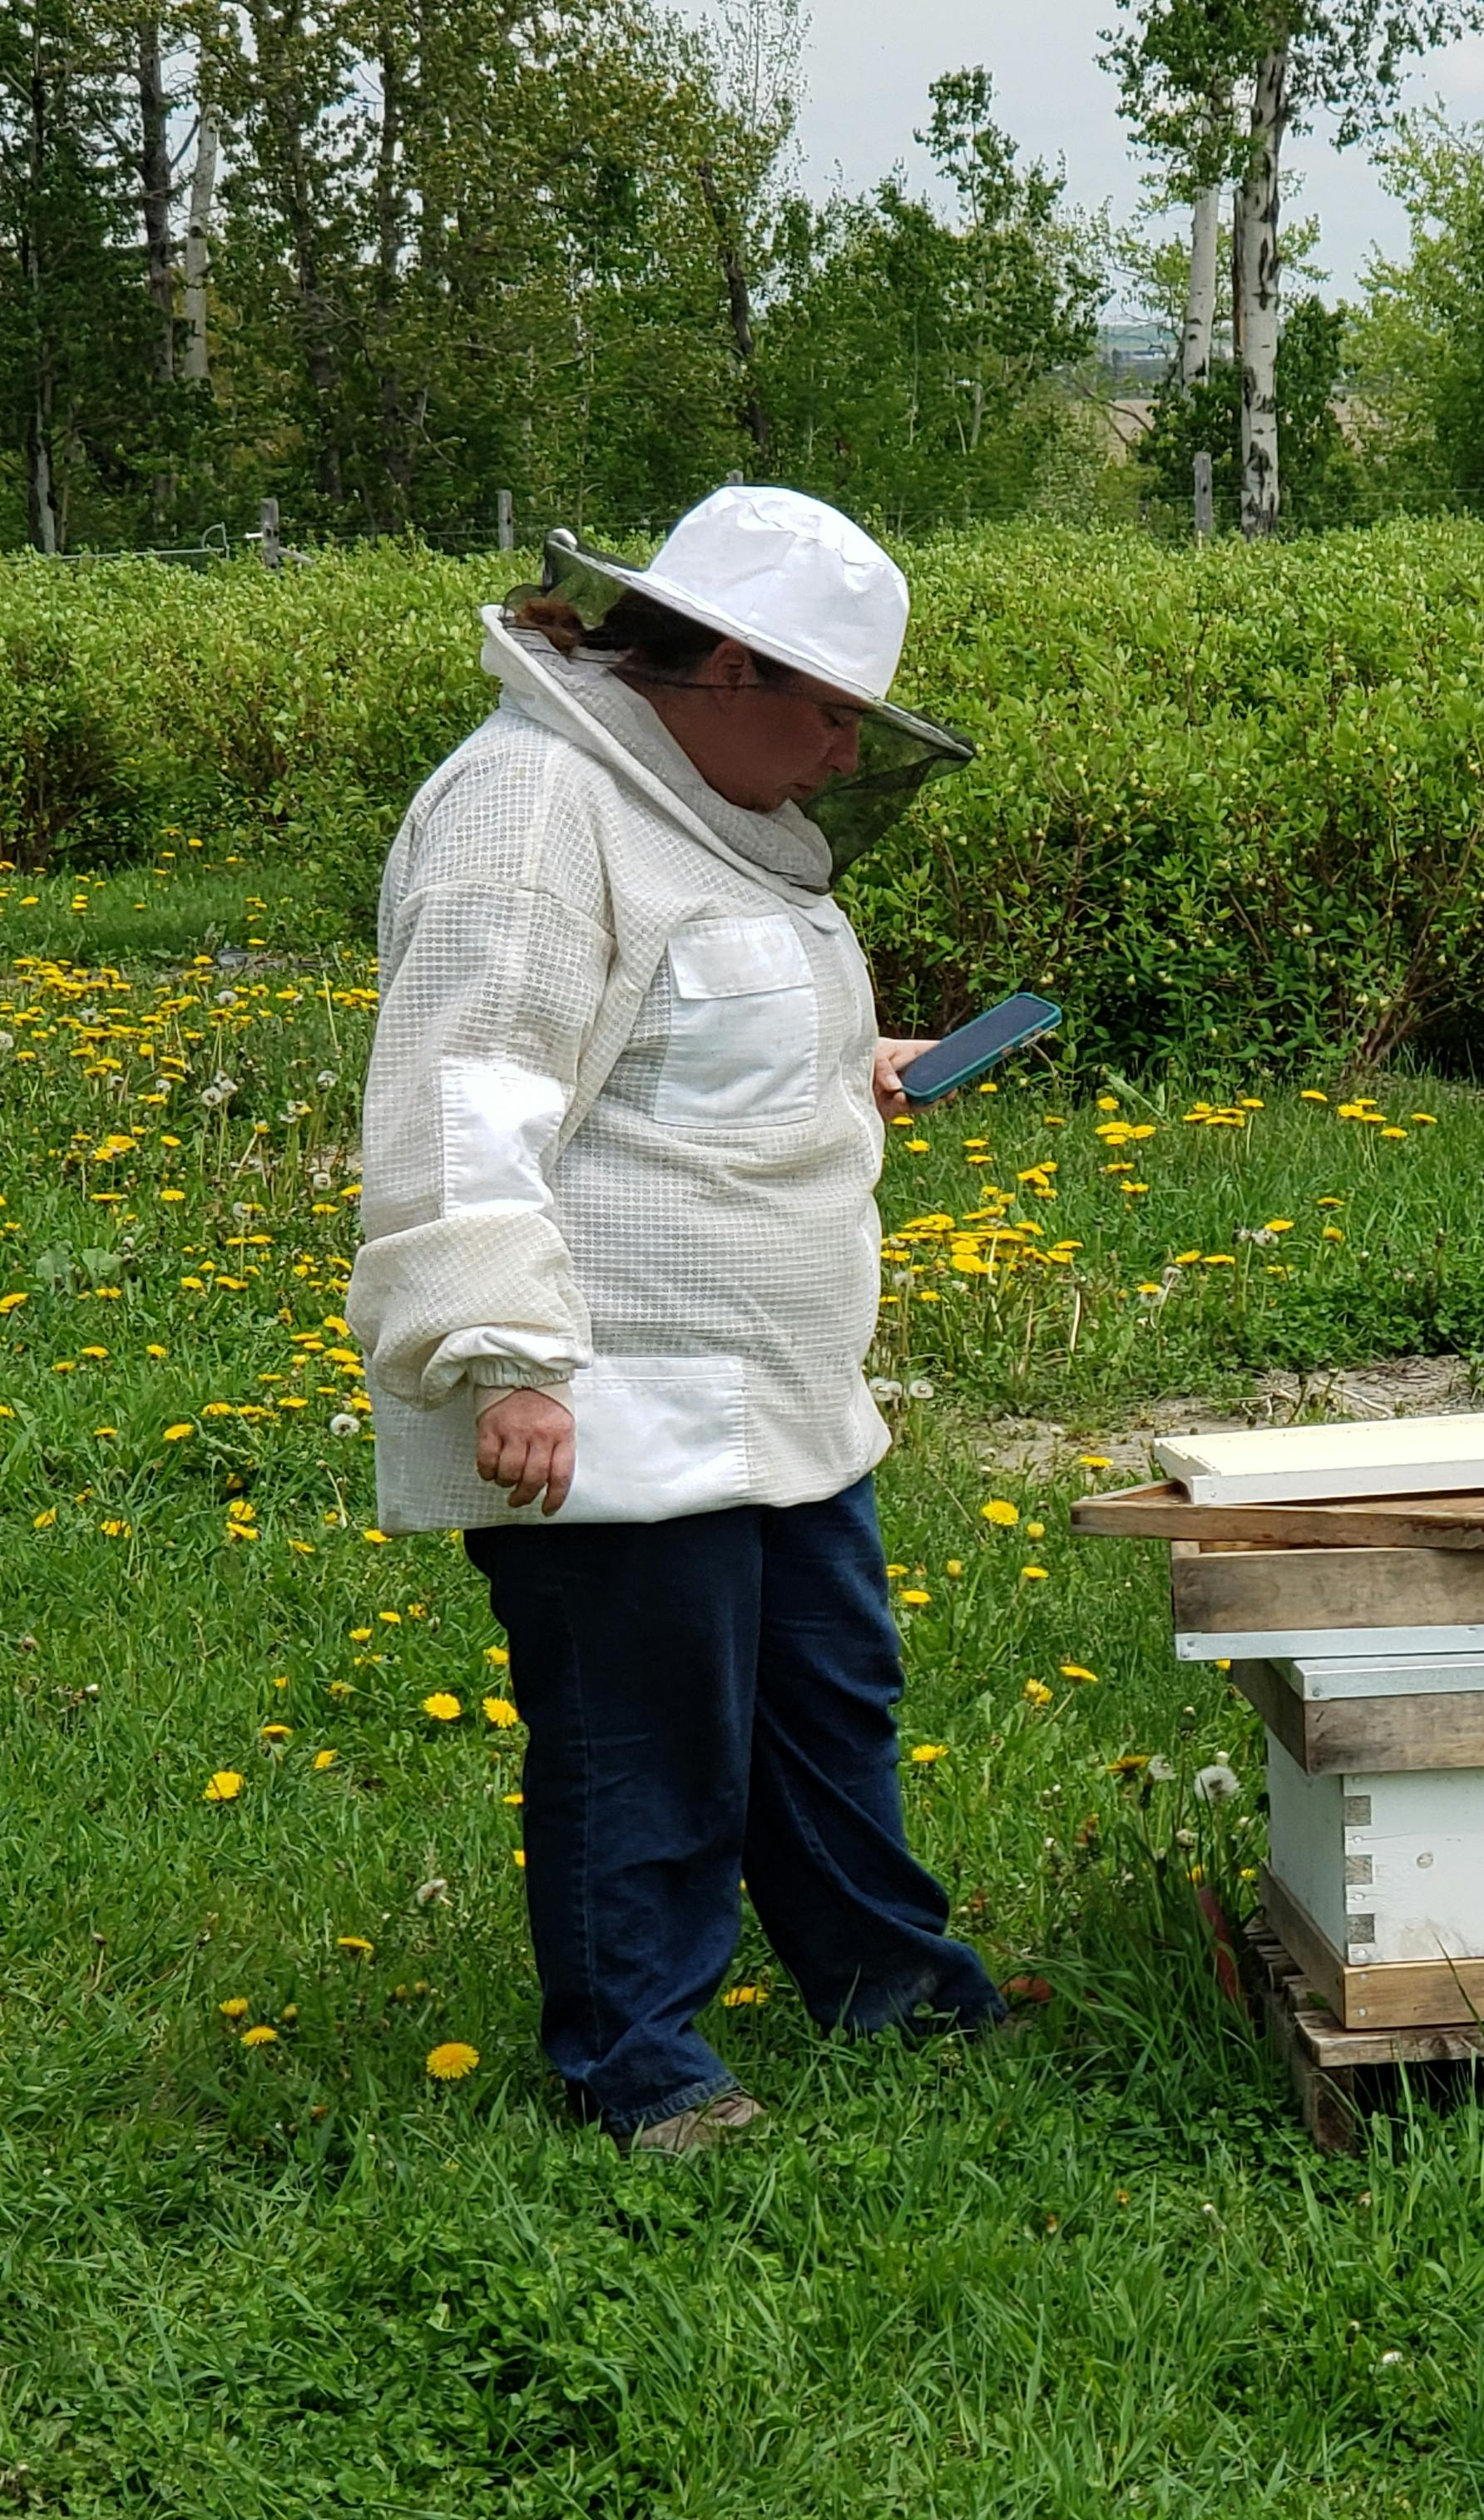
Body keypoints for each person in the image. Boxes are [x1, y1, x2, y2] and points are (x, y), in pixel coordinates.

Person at [346, 486, 1001, 2154]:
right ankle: (639, 2069)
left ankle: (891, 1986)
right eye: (834, 714)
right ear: (721, 665)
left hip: (774, 1386)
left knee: (823, 1700)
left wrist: (835, 1066)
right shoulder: (532, 810)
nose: (848, 757)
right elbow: (470, 1097)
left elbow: (665, 1042)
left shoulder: (693, 804)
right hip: (606, 1397)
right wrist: (504, 1358)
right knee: (648, 1736)